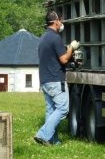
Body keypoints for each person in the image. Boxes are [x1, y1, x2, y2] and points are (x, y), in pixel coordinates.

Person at [34, 10, 80, 146]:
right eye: (61, 20)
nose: (62, 23)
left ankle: (53, 140)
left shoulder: (42, 38)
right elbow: (64, 59)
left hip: (45, 80)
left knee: (51, 110)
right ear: (55, 21)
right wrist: (71, 47)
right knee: (63, 108)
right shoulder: (56, 38)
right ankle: (42, 134)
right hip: (56, 79)